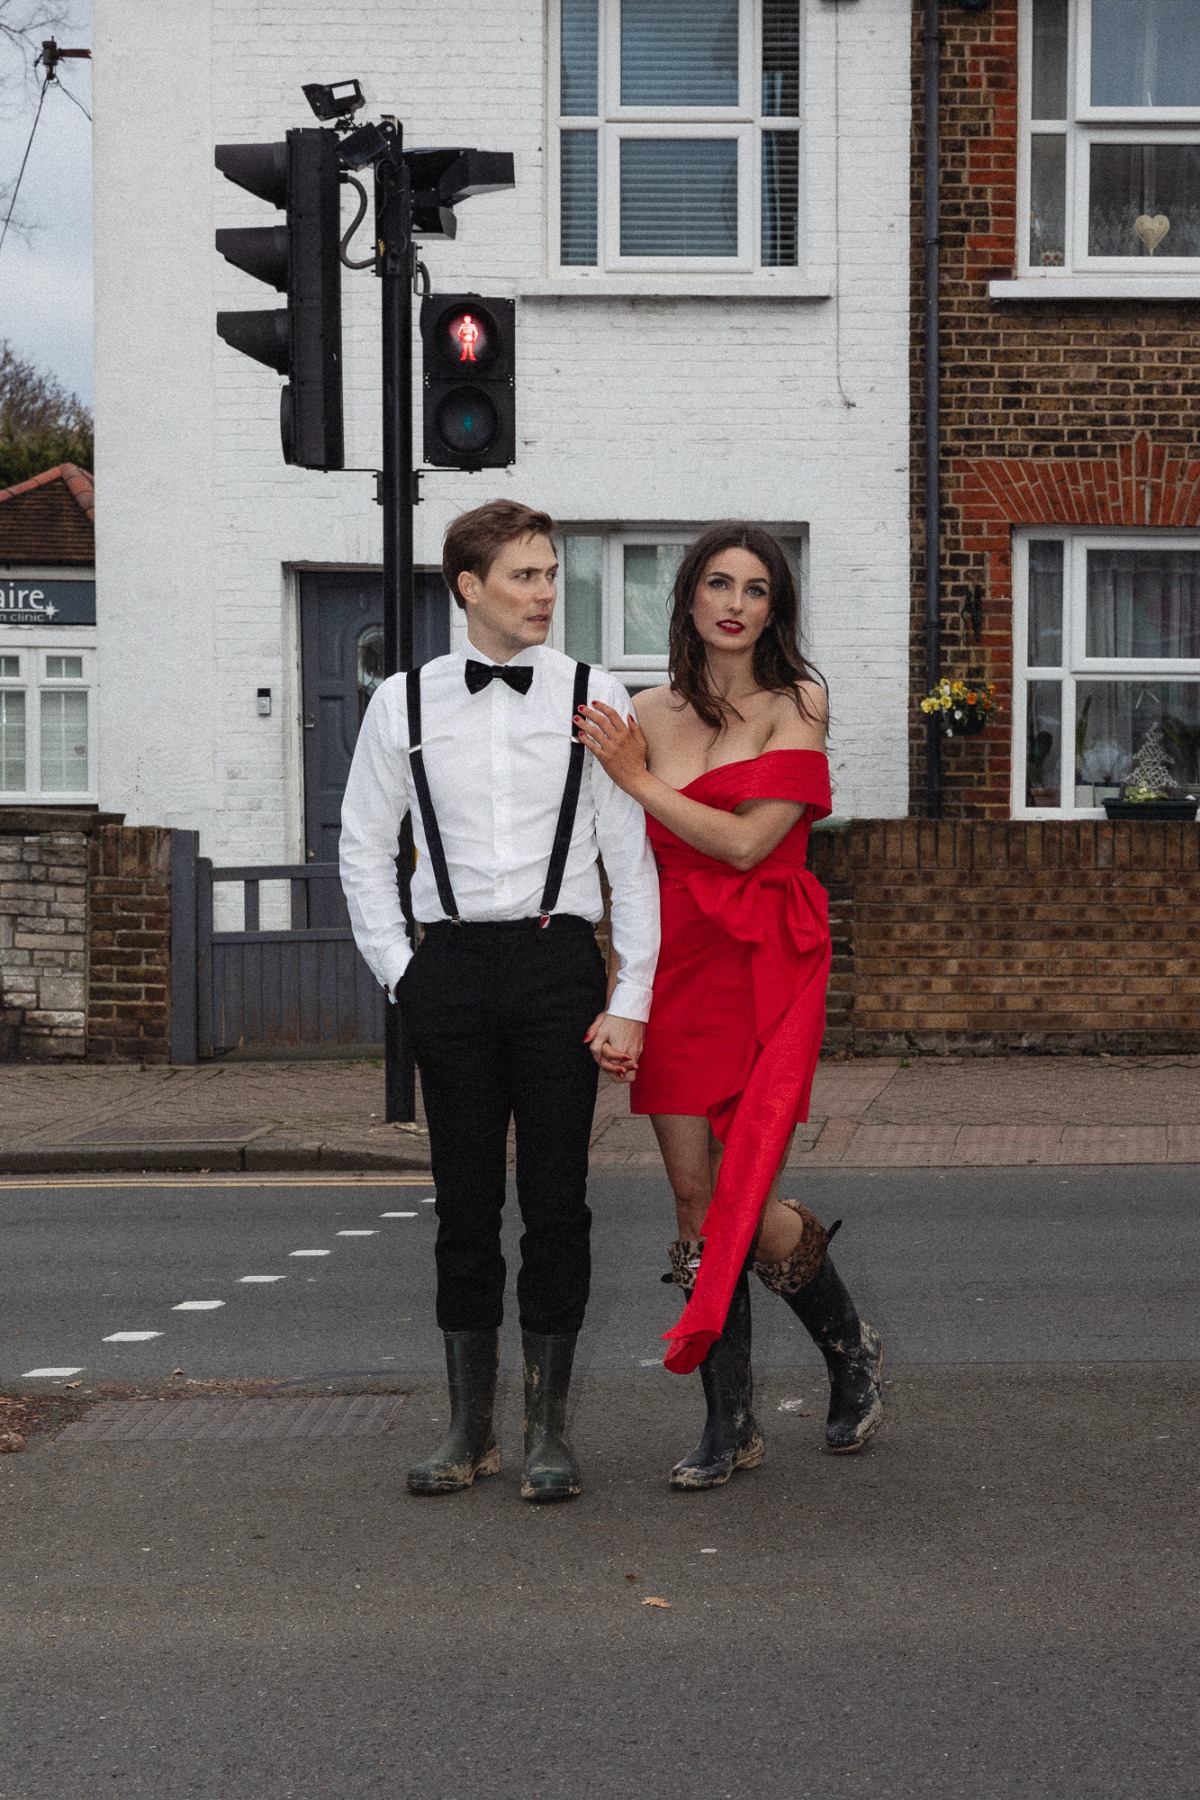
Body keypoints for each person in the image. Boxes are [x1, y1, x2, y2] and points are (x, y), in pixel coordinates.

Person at [340, 500, 659, 1504]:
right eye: (525, 575)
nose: (545, 592)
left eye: (552, 574)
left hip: (559, 965)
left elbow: (629, 860)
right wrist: (404, 973)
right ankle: (468, 1431)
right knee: (465, 1208)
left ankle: (547, 1434)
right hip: (454, 975)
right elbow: (361, 848)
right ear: (468, 587)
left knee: (557, 1204)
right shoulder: (403, 703)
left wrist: (632, 995)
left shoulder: (592, 694)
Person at [576, 522, 882, 1491]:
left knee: (743, 1196)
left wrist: (635, 780)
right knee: (696, 1199)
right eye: (719, 583)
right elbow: (622, 857)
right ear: (691, 600)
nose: (736, 603)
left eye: (756, 588)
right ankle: (730, 1423)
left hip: (768, 963)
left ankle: (849, 1353)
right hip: (674, 966)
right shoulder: (645, 711)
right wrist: (622, 984)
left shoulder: (801, 701)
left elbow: (750, 846)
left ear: (774, 608)